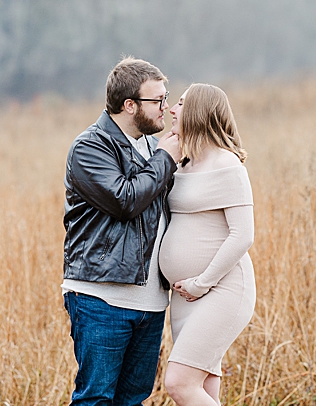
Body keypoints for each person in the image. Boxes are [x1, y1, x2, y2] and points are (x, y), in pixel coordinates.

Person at [61, 57, 181, 405]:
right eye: (157, 100)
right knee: (95, 399)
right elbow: (125, 200)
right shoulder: (90, 147)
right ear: (130, 105)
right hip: (101, 298)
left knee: (133, 399)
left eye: (166, 97)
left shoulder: (151, 146)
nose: (166, 107)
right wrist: (166, 159)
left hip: (152, 303)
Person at [159, 83, 256, 406]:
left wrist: (202, 283)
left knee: (179, 383)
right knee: (203, 387)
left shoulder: (227, 165)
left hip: (220, 289)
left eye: (182, 104)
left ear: (199, 112)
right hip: (185, 295)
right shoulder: (182, 163)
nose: (172, 109)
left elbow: (242, 235)